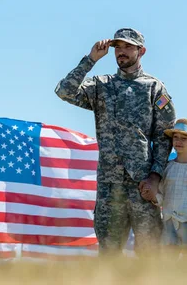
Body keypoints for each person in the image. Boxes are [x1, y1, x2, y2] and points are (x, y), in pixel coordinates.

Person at [54, 28, 176, 254]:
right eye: (118, 47)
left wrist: (155, 176)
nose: (122, 52)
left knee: (149, 254)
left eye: (128, 47)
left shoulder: (154, 88)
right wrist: (90, 60)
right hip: (110, 186)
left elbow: (164, 136)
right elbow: (64, 92)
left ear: (142, 51)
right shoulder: (101, 85)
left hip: (143, 186)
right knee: (110, 253)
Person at [144, 118, 187, 251]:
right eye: (176, 137)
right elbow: (163, 198)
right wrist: (152, 196)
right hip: (168, 226)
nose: (178, 141)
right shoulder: (168, 167)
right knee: (168, 265)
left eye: (184, 138)